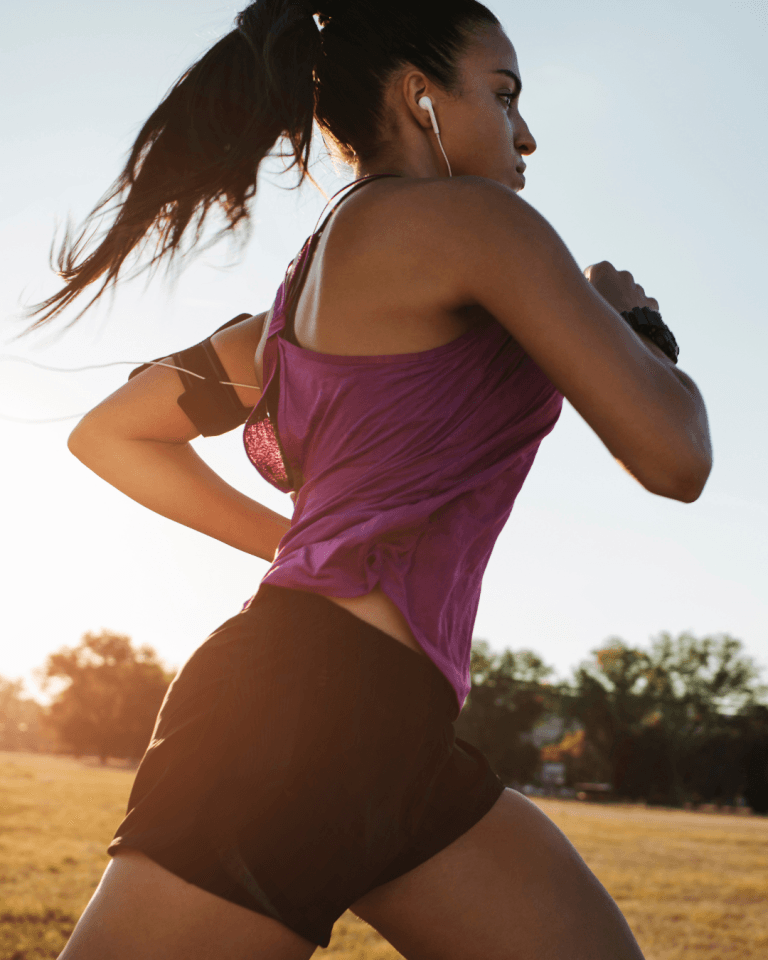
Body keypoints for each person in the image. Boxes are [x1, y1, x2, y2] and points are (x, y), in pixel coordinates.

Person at [30, 1, 711, 957]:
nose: (525, 135)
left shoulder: (282, 322)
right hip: (303, 714)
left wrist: (304, 550)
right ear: (418, 97)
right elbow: (676, 456)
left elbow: (112, 434)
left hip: (394, 730)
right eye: (503, 95)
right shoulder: (480, 224)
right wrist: (636, 324)